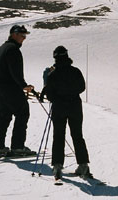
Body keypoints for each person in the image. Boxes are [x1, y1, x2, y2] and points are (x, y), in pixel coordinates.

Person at [41, 46, 91, 179]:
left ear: (55, 57)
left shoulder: (53, 74)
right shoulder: (75, 71)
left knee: (58, 135)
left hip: (59, 107)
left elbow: (49, 94)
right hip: (75, 105)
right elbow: (82, 87)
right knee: (77, 135)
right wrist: (71, 93)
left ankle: (57, 166)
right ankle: (83, 165)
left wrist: (58, 97)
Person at [0, 25, 36, 159]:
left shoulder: (2, 48)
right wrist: (23, 85)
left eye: (25, 36)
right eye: (22, 35)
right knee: (22, 113)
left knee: (4, 116)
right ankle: (17, 147)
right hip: (11, 88)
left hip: (0, 87)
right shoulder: (13, 49)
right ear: (14, 34)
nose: (24, 38)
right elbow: (15, 71)